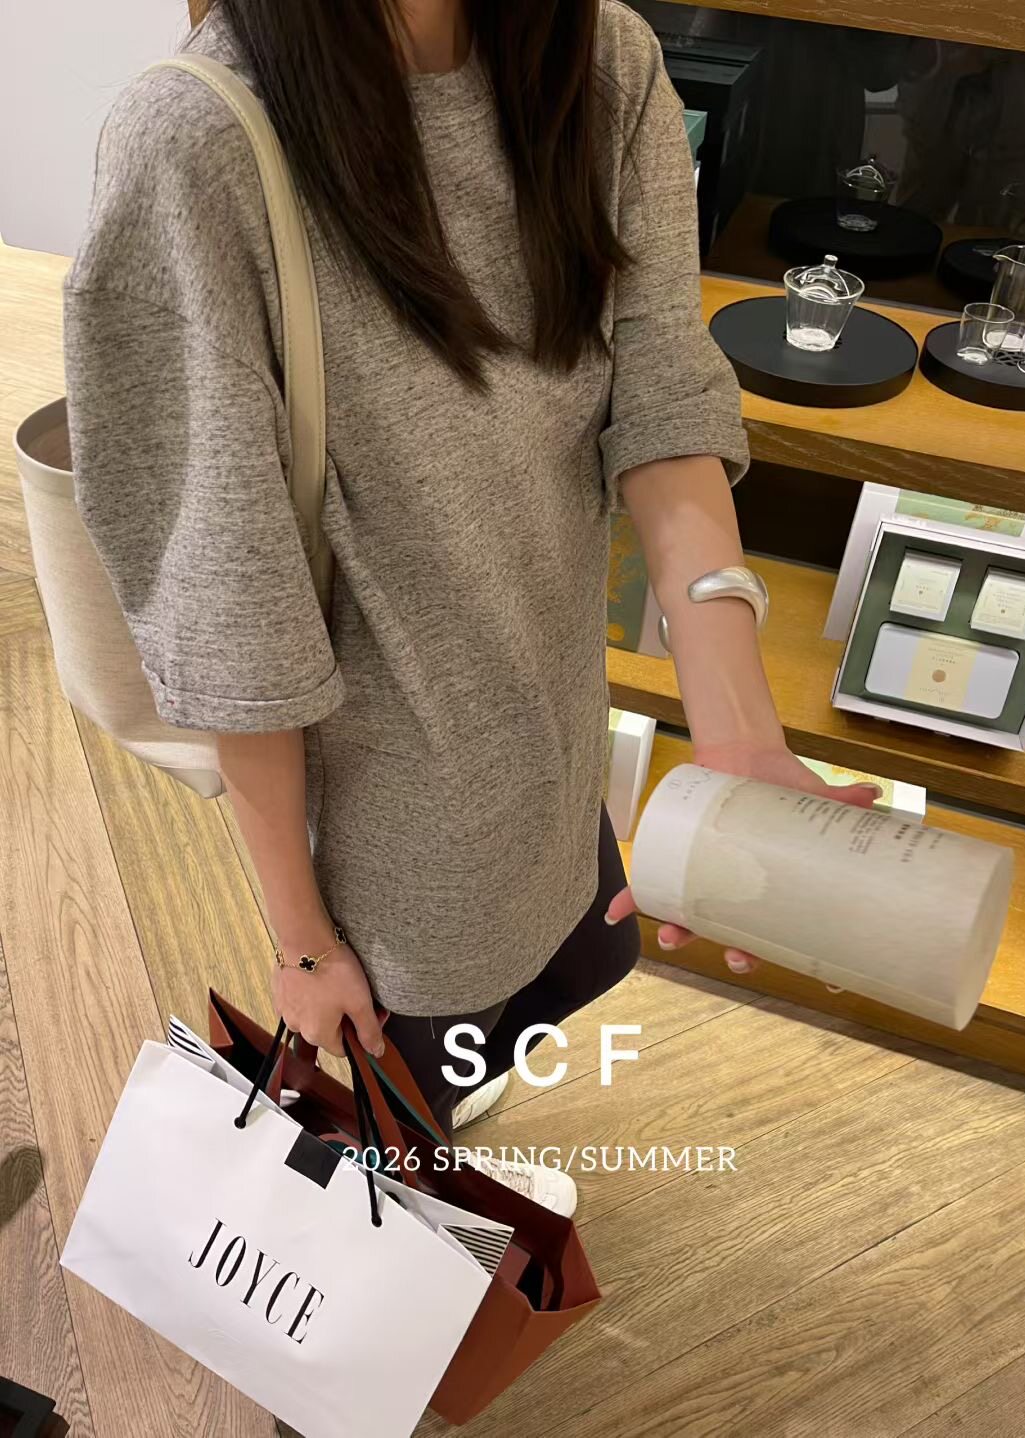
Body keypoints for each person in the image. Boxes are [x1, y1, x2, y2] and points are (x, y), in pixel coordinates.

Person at [63, 0, 878, 1216]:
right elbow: (230, 602)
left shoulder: (602, 60)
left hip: (547, 723)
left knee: (539, 978)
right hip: (395, 813)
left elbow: (662, 389)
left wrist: (740, 733)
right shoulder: (198, 139)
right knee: (399, 1125)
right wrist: (300, 937)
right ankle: (413, 1241)